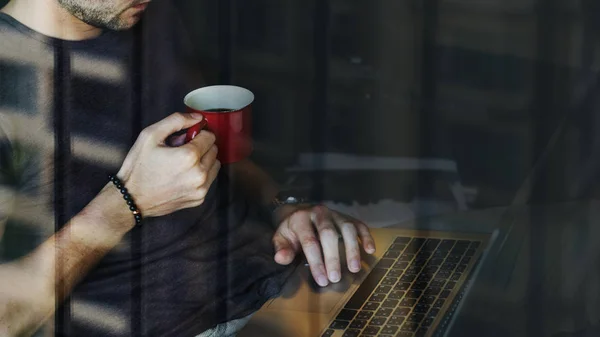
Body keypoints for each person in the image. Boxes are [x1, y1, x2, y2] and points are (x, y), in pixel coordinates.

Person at [0, 0, 376, 336]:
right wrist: (128, 200)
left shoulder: (144, 15)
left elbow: (212, 148)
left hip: (280, 275)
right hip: (192, 325)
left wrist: (283, 207)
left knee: (422, 287)